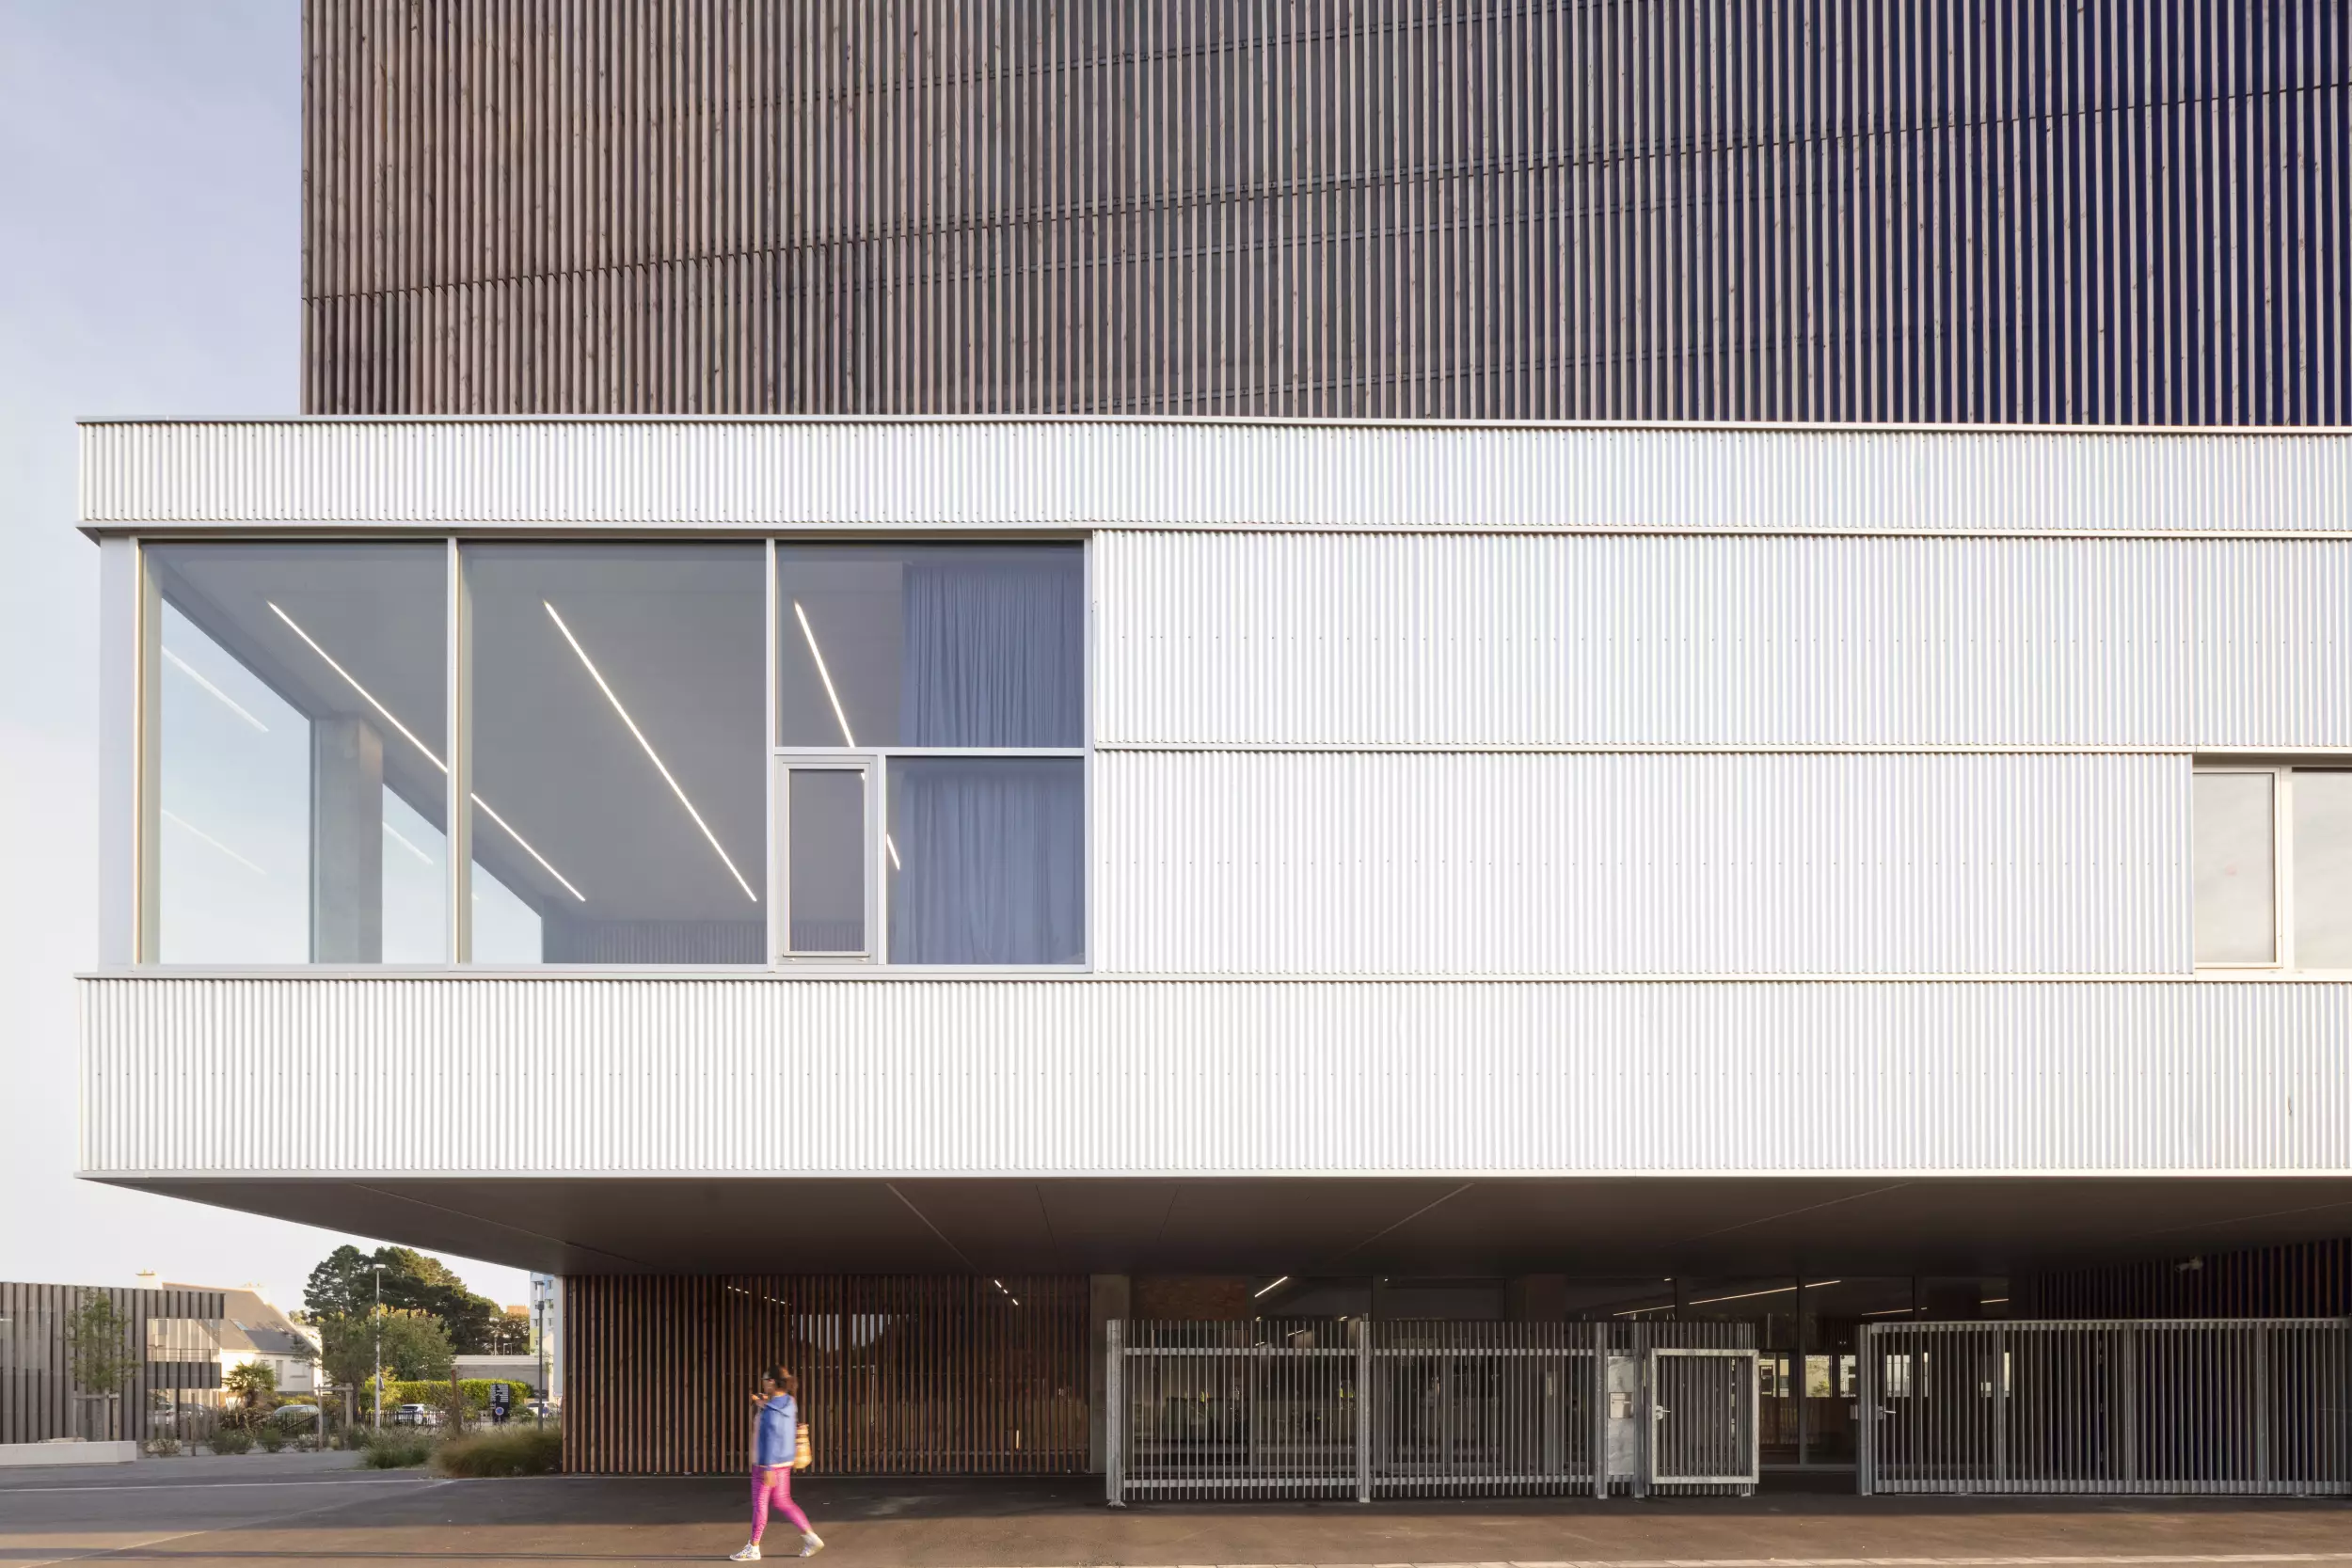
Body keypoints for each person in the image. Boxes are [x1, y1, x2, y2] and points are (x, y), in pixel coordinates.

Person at [731, 1366, 822, 1561]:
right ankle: (811, 1538)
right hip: (785, 1461)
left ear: (772, 1382)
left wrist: (768, 1467)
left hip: (766, 1464)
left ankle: (753, 1547)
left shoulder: (770, 1412)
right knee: (783, 1501)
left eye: (765, 1380)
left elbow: (771, 1437)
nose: (763, 1383)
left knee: (760, 1504)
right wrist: (765, 1403)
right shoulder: (789, 1402)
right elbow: (779, 1416)